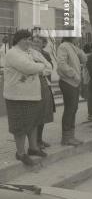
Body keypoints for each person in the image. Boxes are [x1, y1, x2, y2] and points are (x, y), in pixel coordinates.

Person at [3, 30, 51, 166]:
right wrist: (40, 68)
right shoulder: (12, 53)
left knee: (33, 122)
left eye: (30, 39)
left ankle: (33, 148)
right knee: (20, 126)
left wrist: (40, 67)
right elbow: (28, 68)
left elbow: (49, 66)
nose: (29, 42)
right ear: (18, 40)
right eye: (26, 39)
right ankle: (20, 153)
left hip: (32, 94)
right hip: (17, 96)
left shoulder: (32, 52)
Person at [57, 37, 87, 146]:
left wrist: (78, 48)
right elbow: (61, 64)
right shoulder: (63, 46)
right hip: (68, 82)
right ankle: (66, 138)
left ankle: (71, 136)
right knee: (70, 109)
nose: (79, 37)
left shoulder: (73, 47)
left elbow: (84, 59)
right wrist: (73, 74)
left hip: (74, 82)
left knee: (73, 108)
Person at [31, 36, 55, 149]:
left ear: (43, 44)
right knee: (35, 115)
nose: (35, 43)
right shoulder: (28, 53)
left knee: (43, 114)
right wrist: (42, 70)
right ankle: (34, 142)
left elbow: (51, 67)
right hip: (33, 87)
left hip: (45, 85)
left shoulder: (45, 54)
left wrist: (43, 71)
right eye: (34, 41)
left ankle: (39, 139)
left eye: (38, 42)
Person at [82, 43, 92, 121]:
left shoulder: (84, 56)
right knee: (90, 97)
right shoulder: (89, 56)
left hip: (85, 79)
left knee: (89, 98)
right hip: (90, 79)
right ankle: (90, 114)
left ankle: (90, 114)